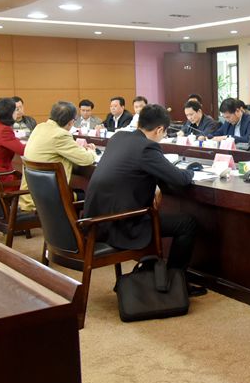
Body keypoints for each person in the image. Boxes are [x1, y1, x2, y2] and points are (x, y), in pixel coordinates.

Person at [83, 104, 204, 295]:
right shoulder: (147, 147)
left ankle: (158, 273)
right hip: (121, 224)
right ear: (160, 129)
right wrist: (191, 171)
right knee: (187, 224)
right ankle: (176, 283)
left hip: (96, 222)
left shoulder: (118, 138)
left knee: (158, 213)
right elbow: (180, 179)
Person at [18, 101, 96, 211]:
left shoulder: (39, 127)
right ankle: (78, 222)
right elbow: (87, 159)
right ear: (71, 122)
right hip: (47, 199)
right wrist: (91, 150)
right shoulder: (60, 134)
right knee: (92, 197)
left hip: (31, 195)